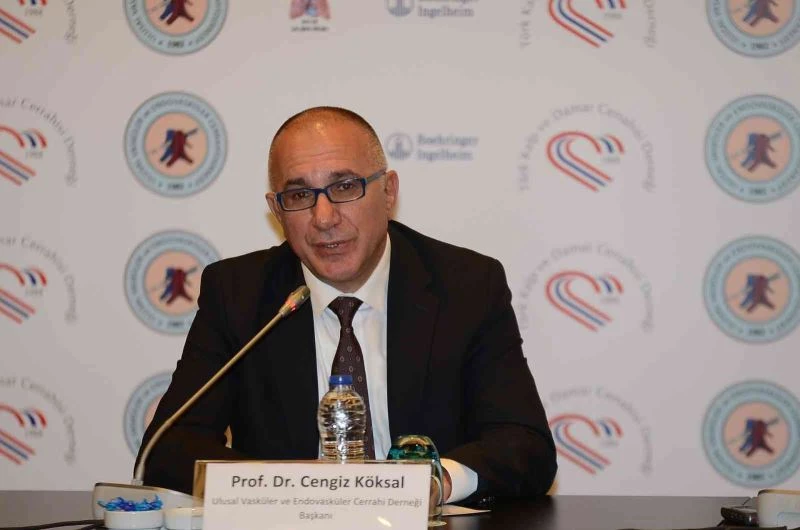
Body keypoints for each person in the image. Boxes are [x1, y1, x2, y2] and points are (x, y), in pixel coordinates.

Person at [136, 106, 557, 504]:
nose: (324, 218)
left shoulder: (466, 286)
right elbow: (168, 448)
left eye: (344, 187)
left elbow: (525, 446)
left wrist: (433, 482)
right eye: (299, 194)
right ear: (277, 210)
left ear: (388, 192)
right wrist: (295, 492)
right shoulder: (238, 293)